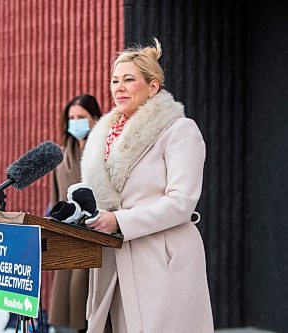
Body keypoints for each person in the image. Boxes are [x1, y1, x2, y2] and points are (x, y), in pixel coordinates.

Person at [80, 39, 214, 332]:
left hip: (160, 258)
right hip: (113, 260)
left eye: (129, 79)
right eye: (115, 80)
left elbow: (181, 202)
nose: (119, 87)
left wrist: (120, 220)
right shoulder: (105, 136)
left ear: (153, 87)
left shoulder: (180, 131)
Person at [48, 94, 102, 333]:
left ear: (95, 119)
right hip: (66, 237)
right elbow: (55, 199)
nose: (76, 122)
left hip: (94, 236)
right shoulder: (60, 157)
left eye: (81, 117)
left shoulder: (102, 154)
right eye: (71, 118)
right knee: (67, 303)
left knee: (89, 301)